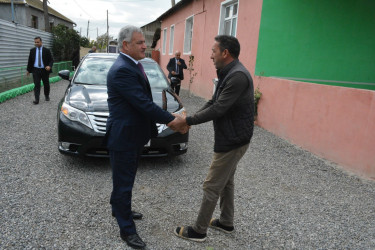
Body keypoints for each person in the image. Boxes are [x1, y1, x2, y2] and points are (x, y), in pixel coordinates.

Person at [105, 25, 186, 249]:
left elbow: (142, 102)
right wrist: (173, 120)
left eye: (144, 42)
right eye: (140, 42)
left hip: (131, 135)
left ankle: (118, 208)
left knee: (125, 177)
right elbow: (143, 104)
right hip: (124, 138)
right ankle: (127, 230)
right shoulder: (123, 69)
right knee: (124, 183)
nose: (145, 46)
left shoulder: (132, 64)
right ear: (125, 45)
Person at [170, 35, 254, 242]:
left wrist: (187, 121)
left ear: (225, 53)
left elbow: (219, 108)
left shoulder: (237, 76)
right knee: (226, 182)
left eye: (213, 51)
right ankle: (226, 222)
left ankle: (198, 231)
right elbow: (213, 101)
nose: (210, 56)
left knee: (212, 185)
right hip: (233, 137)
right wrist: (187, 119)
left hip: (233, 140)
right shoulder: (229, 72)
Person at [26, 36, 53, 104]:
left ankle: (46, 95)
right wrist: (28, 70)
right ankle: (36, 99)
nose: (36, 43)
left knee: (46, 84)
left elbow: (51, 60)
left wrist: (49, 66)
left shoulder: (46, 50)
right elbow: (30, 61)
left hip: (44, 70)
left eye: (38, 42)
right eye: (35, 42)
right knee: (37, 84)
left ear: (41, 42)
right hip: (35, 70)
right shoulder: (32, 51)